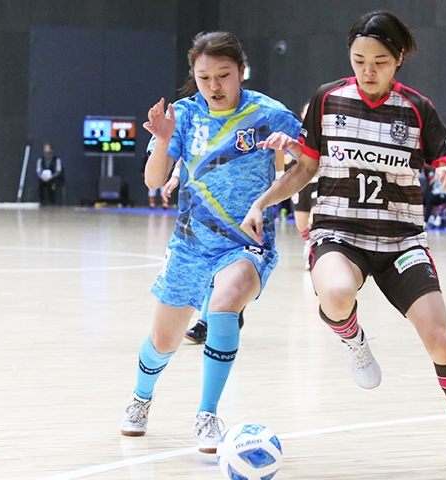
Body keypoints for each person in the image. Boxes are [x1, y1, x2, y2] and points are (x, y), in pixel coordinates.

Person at [241, 11, 446, 472]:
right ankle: (354, 341)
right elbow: (306, 168)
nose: (367, 71)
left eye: (379, 62)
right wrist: (262, 203)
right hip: (339, 231)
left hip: (401, 239)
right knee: (334, 293)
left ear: (398, 61)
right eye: (358, 60)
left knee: (440, 341)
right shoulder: (327, 99)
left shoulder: (417, 109)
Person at [119, 31, 300, 454]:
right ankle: (140, 399)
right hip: (190, 242)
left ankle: (207, 414)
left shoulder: (268, 113)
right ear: (193, 77)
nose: (214, 86)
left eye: (223, 75)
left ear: (241, 71)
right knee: (164, 340)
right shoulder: (182, 115)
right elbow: (153, 180)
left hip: (246, 242)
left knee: (225, 302)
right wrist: (163, 140)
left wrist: (290, 148)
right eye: (204, 77)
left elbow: (307, 162)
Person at [288, 101, 318, 268]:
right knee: (301, 224)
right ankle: (307, 242)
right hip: (301, 182)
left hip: (319, 180)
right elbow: (286, 157)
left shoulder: (324, 130)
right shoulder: (296, 132)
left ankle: (313, 248)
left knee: (315, 217)